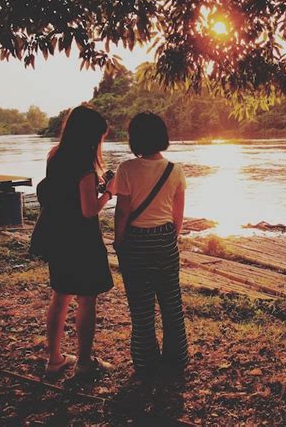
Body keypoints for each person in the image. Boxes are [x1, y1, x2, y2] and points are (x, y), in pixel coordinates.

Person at [114, 112, 188, 380]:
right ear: (162, 137)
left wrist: (118, 240)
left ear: (135, 140)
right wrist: (171, 237)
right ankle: (177, 357)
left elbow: (122, 212)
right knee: (171, 302)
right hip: (165, 239)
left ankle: (146, 363)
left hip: (135, 241)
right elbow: (177, 213)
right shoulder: (175, 169)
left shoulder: (126, 169)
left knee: (141, 306)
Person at [42, 106, 115, 375]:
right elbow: (88, 210)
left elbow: (66, 194)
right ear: (90, 136)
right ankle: (84, 363)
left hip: (58, 236)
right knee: (86, 299)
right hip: (82, 242)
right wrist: (108, 193)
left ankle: (54, 359)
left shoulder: (55, 156)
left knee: (60, 297)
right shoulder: (84, 166)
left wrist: (95, 188)